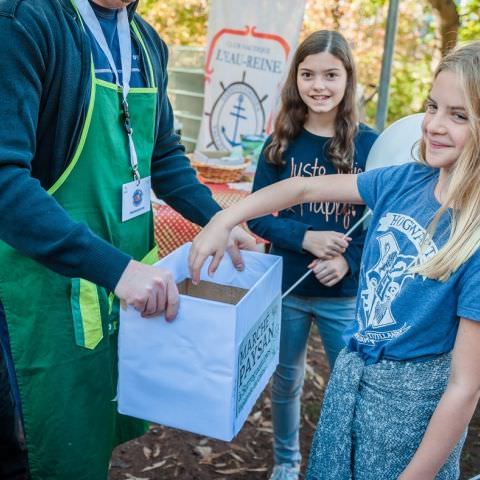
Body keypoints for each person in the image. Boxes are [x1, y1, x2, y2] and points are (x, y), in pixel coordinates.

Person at [189, 41, 480, 480]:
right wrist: (223, 220)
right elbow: (301, 190)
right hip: (352, 382)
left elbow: (465, 386)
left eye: (459, 116)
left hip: (411, 412)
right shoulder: (402, 180)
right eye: (433, 106)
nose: (435, 125)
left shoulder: (473, 235)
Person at [0, 0, 254, 479]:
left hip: (114, 297)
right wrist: (118, 270)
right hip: (39, 293)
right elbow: (5, 182)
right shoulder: (24, 21)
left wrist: (223, 220)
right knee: (35, 442)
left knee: (94, 428)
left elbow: (164, 159)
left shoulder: (147, 41)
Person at [245, 30, 377, 480]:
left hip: (344, 295)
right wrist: (306, 238)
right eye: (308, 74)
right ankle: (287, 460)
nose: (319, 85)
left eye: (330, 75)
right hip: (287, 287)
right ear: (295, 79)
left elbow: (382, 220)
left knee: (348, 388)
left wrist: (347, 259)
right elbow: (257, 216)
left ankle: (341, 464)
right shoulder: (280, 142)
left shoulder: (370, 146)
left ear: (348, 79)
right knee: (286, 380)